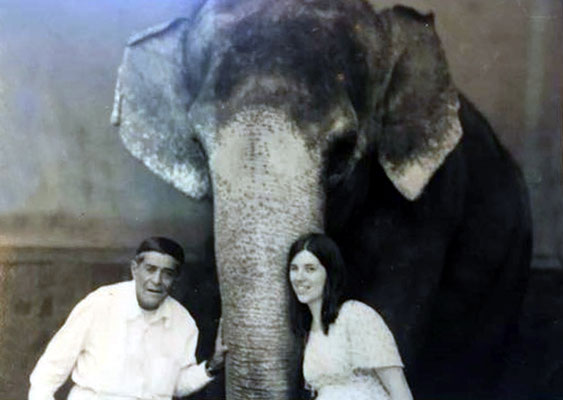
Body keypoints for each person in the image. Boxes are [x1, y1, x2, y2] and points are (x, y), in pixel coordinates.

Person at [29, 236, 226, 400]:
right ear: (134, 269)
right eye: (150, 269)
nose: (156, 281)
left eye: (167, 274)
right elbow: (47, 374)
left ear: (176, 279)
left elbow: (176, 386)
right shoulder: (101, 303)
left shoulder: (183, 322)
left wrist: (212, 366)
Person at [287, 233, 413, 400]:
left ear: (329, 273)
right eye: (294, 268)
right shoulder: (309, 331)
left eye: (310, 269)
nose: (299, 277)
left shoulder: (355, 314)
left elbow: (398, 387)